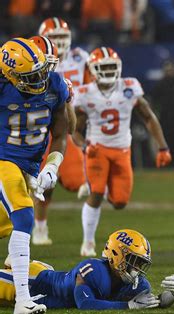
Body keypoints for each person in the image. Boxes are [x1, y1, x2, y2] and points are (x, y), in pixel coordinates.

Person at [74, 47, 172, 257]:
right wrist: (84, 146)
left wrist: (162, 146)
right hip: (97, 149)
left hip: (122, 150)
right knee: (97, 193)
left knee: (120, 202)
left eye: (112, 67)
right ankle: (88, 242)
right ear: (93, 70)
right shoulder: (85, 94)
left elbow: (148, 117)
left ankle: (101, 187)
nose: (108, 71)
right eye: (104, 67)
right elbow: (74, 128)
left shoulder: (129, 87)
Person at [0, 38, 70, 314]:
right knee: (24, 217)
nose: (40, 80)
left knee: (8, 228)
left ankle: (12, 268)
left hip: (29, 166)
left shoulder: (55, 84)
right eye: (31, 77)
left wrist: (52, 166)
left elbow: (63, 134)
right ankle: (23, 301)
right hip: (4, 160)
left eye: (41, 71)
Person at [0, 229, 174, 310]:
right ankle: (19, 263)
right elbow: (85, 304)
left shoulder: (137, 284)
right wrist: (127, 306)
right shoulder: (94, 270)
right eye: (133, 261)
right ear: (116, 255)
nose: (137, 269)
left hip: (46, 278)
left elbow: (154, 303)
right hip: (34, 282)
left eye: (141, 263)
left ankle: (19, 261)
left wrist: (172, 295)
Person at [32, 17, 90, 245]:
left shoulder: (81, 59)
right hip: (37, 125)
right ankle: (38, 227)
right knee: (42, 184)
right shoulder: (32, 57)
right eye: (54, 37)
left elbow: (89, 97)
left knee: (71, 179)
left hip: (65, 123)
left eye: (62, 37)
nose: (59, 42)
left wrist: (77, 127)